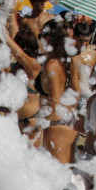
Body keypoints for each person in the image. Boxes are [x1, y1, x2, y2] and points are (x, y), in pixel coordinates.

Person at [37, 20, 77, 164]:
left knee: (57, 177)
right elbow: (76, 91)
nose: (41, 39)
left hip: (56, 123)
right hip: (69, 120)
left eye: (43, 35)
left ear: (50, 38)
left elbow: (55, 101)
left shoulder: (52, 65)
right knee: (67, 174)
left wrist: (42, 125)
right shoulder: (67, 61)